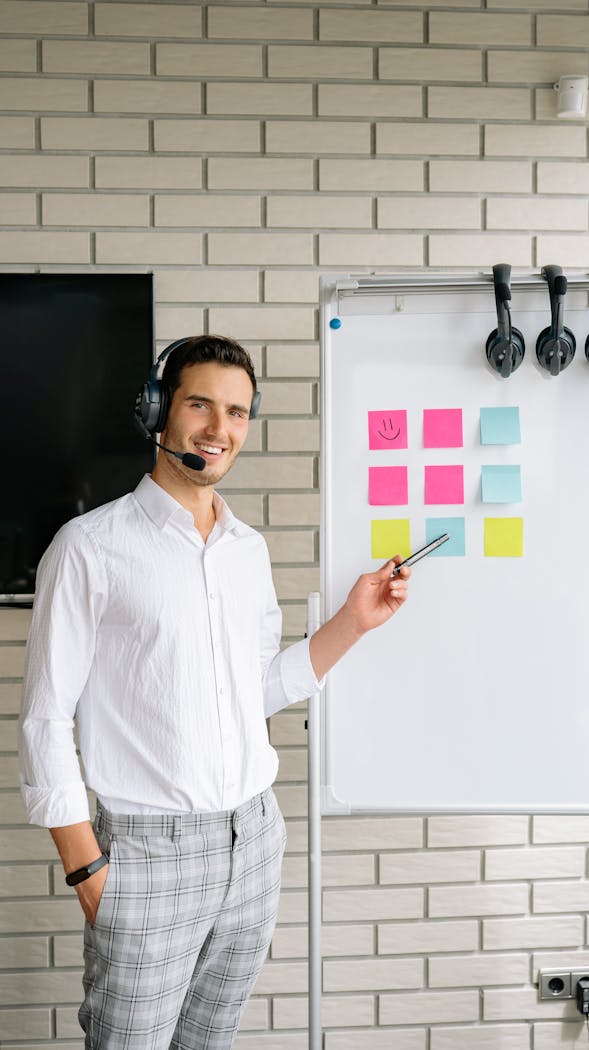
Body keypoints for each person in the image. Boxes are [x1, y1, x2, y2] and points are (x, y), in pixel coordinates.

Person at [18, 335, 410, 1049]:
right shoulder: (89, 547)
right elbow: (45, 717)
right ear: (158, 412)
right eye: (200, 404)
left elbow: (253, 690)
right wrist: (88, 872)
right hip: (145, 856)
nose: (219, 429)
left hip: (253, 842)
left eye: (236, 412)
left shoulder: (246, 550)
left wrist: (353, 623)